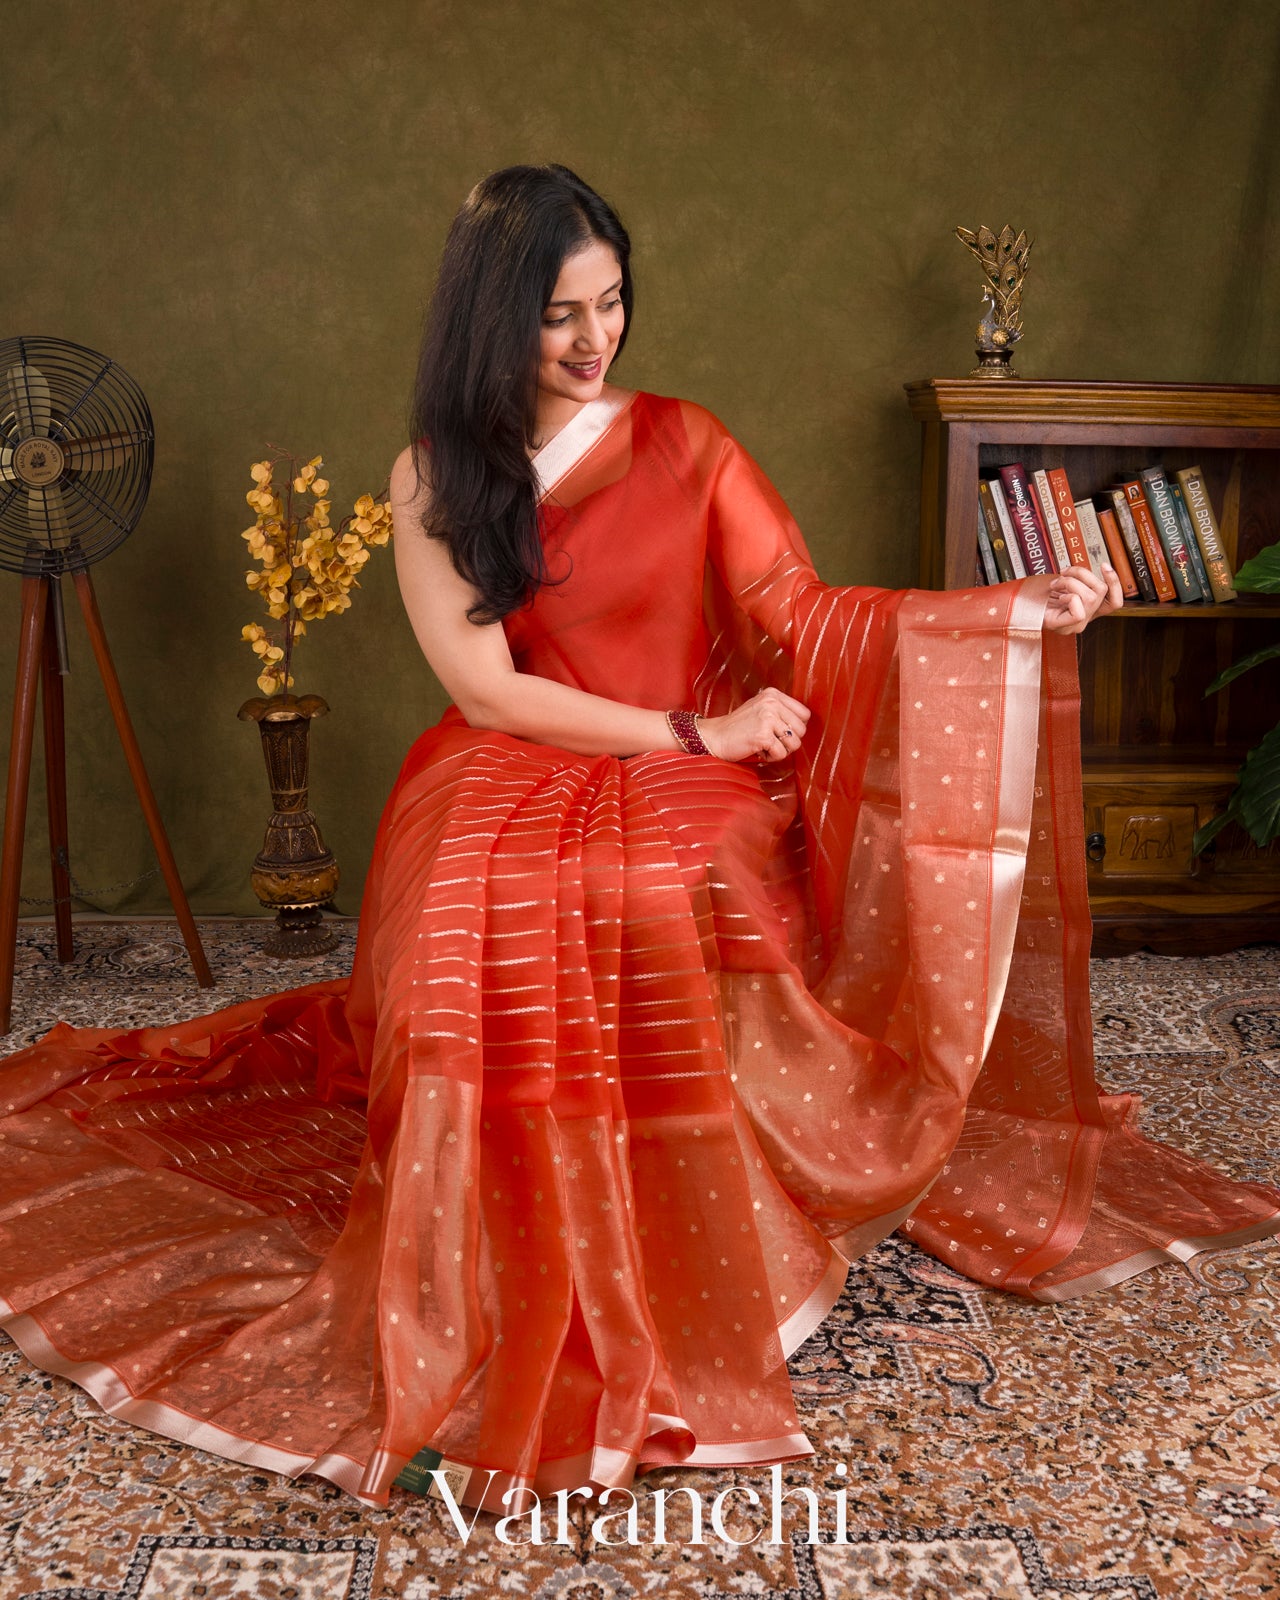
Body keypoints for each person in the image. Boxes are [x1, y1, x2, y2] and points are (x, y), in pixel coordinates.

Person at [1, 165, 1277, 1516]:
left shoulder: (688, 442)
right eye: (560, 312)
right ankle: (479, 1266)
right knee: (462, 927)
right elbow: (487, 688)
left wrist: (1007, 614)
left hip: (688, 760)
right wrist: (683, 732)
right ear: (493, 319)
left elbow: (802, 607)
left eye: (611, 304)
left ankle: (698, 1246)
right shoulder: (434, 472)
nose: (593, 338)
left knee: (669, 886)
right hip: (512, 763)